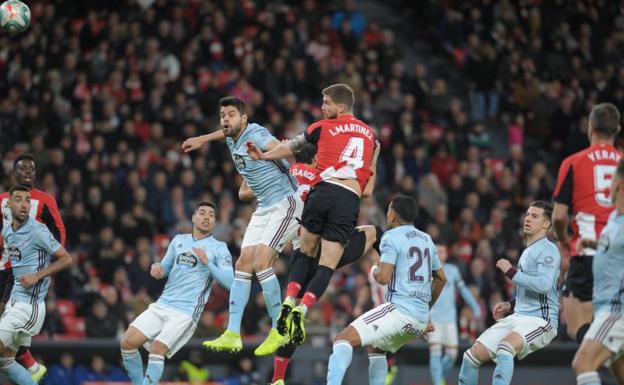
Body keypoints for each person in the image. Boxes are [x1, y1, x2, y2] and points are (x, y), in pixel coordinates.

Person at [247, 83, 377, 349]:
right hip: (348, 197)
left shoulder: (321, 126)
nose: (322, 107)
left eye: (326, 103)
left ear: (340, 107)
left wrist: (263, 156)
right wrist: (375, 156)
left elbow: (292, 148)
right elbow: (367, 190)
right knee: (327, 265)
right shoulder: (369, 134)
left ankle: (287, 304)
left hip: (322, 191)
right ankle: (301, 311)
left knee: (304, 253)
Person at [182, 97, 303, 355]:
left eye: (231, 115)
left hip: (287, 202)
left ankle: (279, 330)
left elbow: (284, 149)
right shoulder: (230, 137)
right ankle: (233, 333)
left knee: (261, 262)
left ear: (244, 118)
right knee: (243, 265)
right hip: (264, 207)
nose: (225, 120)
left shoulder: (256, 133)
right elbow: (223, 133)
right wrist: (203, 139)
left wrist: (264, 155)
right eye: (222, 115)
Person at [325, 195, 447, 385]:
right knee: (376, 348)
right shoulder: (427, 240)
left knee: (342, 339)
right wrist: (424, 309)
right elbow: (441, 279)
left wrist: (374, 271)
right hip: (420, 319)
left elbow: (383, 278)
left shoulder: (391, 237)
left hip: (400, 311)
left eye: (389, 210)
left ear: (392, 216)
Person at [119, 201, 233, 385]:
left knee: (157, 349)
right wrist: (158, 269)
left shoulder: (219, 248)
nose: (206, 217)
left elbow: (230, 282)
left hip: (186, 313)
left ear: (214, 221)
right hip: (163, 304)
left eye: (211, 215)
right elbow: (165, 266)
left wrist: (208, 263)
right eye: (202, 213)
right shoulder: (179, 240)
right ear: (194, 218)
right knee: (127, 342)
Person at [458, 201, 560, 385]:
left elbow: (544, 285)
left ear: (546, 224)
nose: (528, 218)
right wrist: (510, 304)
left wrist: (511, 272)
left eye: (535, 216)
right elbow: (531, 288)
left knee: (505, 347)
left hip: (541, 319)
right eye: (528, 214)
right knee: (470, 357)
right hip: (519, 316)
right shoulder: (529, 250)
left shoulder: (549, 250)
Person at [552, 103, 622, 343]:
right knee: (611, 324)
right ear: (617, 129)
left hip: (588, 250)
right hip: (620, 251)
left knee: (577, 326)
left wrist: (564, 242)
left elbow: (559, 216)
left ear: (590, 128)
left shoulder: (573, 162)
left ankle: (594, 365)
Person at [0, 154, 66, 382]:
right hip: (5, 268)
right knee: (5, 358)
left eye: (32, 169)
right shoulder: (3, 202)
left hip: (19, 278)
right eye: (23, 168)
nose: (28, 172)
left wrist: (43, 267)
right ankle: (30, 365)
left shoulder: (43, 203)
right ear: (13, 173)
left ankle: (28, 361)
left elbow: (59, 235)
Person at [572, 159, 624, 385]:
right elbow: (614, 249)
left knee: (583, 363)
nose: (607, 185)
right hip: (604, 305)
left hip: (617, 308)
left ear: (619, 185)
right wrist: (592, 244)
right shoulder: (615, 217)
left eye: (611, 179)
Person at [429, 244, 481, 385]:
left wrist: (475, 306)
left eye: (442, 251)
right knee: (435, 352)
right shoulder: (426, 271)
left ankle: (440, 378)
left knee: (452, 356)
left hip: (450, 319)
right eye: (437, 251)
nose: (440, 254)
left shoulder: (453, 271)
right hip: (432, 318)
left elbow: (463, 290)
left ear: (446, 254)